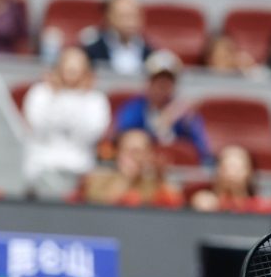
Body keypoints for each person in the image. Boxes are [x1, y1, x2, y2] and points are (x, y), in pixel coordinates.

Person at [22, 47, 111, 199]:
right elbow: (38, 129)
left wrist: (80, 97)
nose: (72, 70)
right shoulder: (40, 93)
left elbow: (89, 136)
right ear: (58, 67)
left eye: (78, 66)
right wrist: (56, 96)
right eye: (68, 65)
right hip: (41, 168)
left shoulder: (96, 100)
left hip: (80, 170)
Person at [114, 49, 213, 165]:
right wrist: (159, 124)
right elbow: (123, 141)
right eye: (158, 81)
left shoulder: (185, 114)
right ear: (149, 83)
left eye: (168, 82)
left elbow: (202, 151)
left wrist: (187, 124)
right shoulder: (134, 110)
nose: (163, 87)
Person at [82, 128, 182, 207]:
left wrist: (161, 177)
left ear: (148, 155)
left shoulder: (154, 180)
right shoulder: (101, 176)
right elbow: (96, 205)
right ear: (117, 153)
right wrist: (126, 179)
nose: (134, 157)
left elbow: (174, 203)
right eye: (128, 151)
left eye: (138, 152)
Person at [83, 0, 152, 74]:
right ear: (109, 17)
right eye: (123, 16)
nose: (130, 22)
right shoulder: (91, 52)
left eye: (134, 15)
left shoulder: (151, 54)